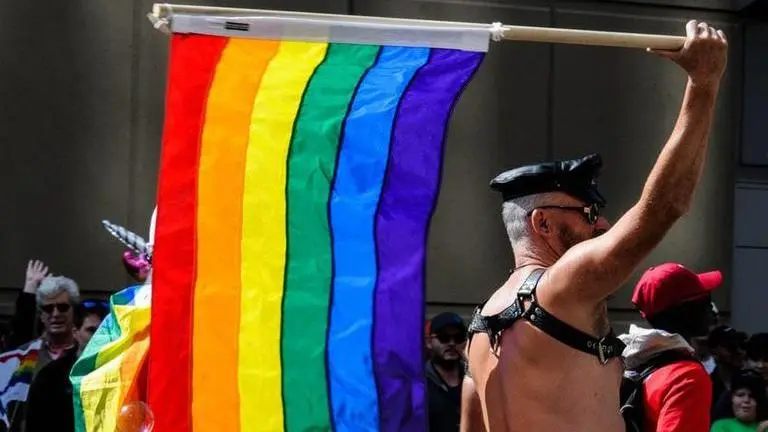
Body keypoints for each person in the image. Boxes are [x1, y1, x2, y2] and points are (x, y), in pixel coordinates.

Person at [463, 20, 728, 431]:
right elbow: (665, 206)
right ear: (543, 223)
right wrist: (705, 83)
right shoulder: (563, 286)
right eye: (587, 214)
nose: (602, 223)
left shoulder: (480, 328)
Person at [619, 263, 722, 431]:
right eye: (706, 300)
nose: (712, 308)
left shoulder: (625, 363)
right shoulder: (686, 376)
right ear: (684, 312)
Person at [24, 300, 109, 432]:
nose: (100, 337)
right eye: (92, 330)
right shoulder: (51, 376)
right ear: (75, 332)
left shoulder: (123, 373)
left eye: (105, 331)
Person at [426, 312, 467, 432]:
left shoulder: (474, 379)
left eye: (458, 338)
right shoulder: (418, 383)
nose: (452, 343)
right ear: (429, 342)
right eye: (443, 337)